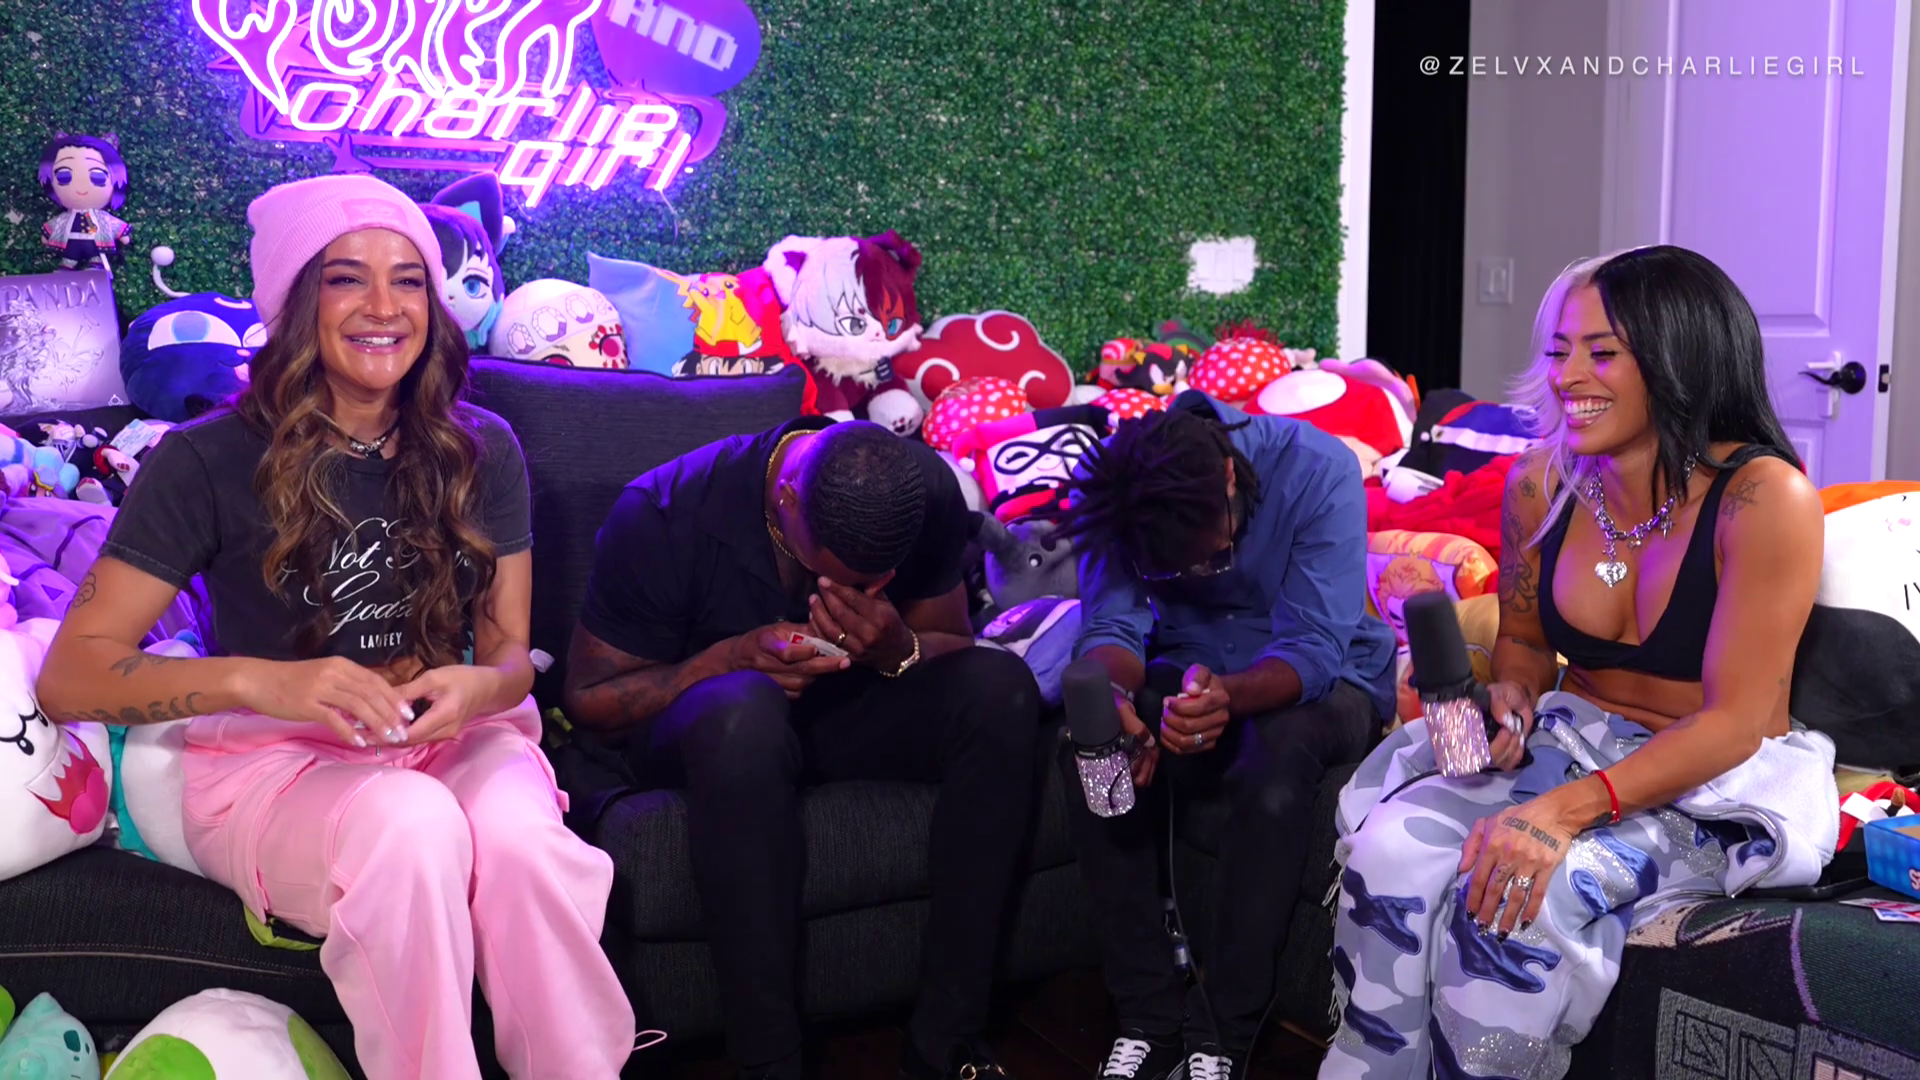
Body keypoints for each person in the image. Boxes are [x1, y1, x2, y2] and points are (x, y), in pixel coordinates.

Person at [36, 174, 636, 1080]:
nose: (384, 307)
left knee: (523, 846)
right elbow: (70, 675)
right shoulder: (205, 459)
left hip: (450, 739)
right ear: (293, 300)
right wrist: (265, 682)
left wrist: (480, 684)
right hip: (274, 762)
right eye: (347, 278)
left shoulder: (483, 449)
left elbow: (512, 655)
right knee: (410, 825)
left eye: (408, 280)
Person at [1319, 245, 1837, 1079]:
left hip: (1709, 780)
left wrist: (1558, 815)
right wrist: (1513, 694)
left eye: (1602, 352)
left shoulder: (1763, 498)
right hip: (1573, 738)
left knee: (1520, 897)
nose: (1566, 377)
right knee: (1390, 850)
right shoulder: (1541, 484)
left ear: (1679, 356)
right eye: (1561, 350)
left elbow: (1736, 723)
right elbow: (1525, 638)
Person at [561, 417, 1043, 1080]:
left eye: (877, 581)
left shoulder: (921, 488)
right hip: (714, 730)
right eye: (833, 573)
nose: (855, 593)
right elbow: (589, 701)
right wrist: (726, 659)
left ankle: (948, 1042)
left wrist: (896, 646)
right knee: (744, 711)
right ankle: (770, 1064)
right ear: (786, 500)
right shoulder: (664, 512)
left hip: (848, 707)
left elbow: (951, 641)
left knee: (1001, 687)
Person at [1047, 393, 1398, 1080]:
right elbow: (1114, 626)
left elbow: (1313, 650)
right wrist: (1113, 701)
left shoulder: (1316, 467)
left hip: (1325, 681)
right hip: (1186, 664)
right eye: (1176, 573)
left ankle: (1223, 1036)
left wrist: (1227, 700)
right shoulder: (1120, 491)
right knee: (1088, 740)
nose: (1203, 575)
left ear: (1229, 478)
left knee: (1276, 753)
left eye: (1214, 556)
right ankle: (1148, 1017)